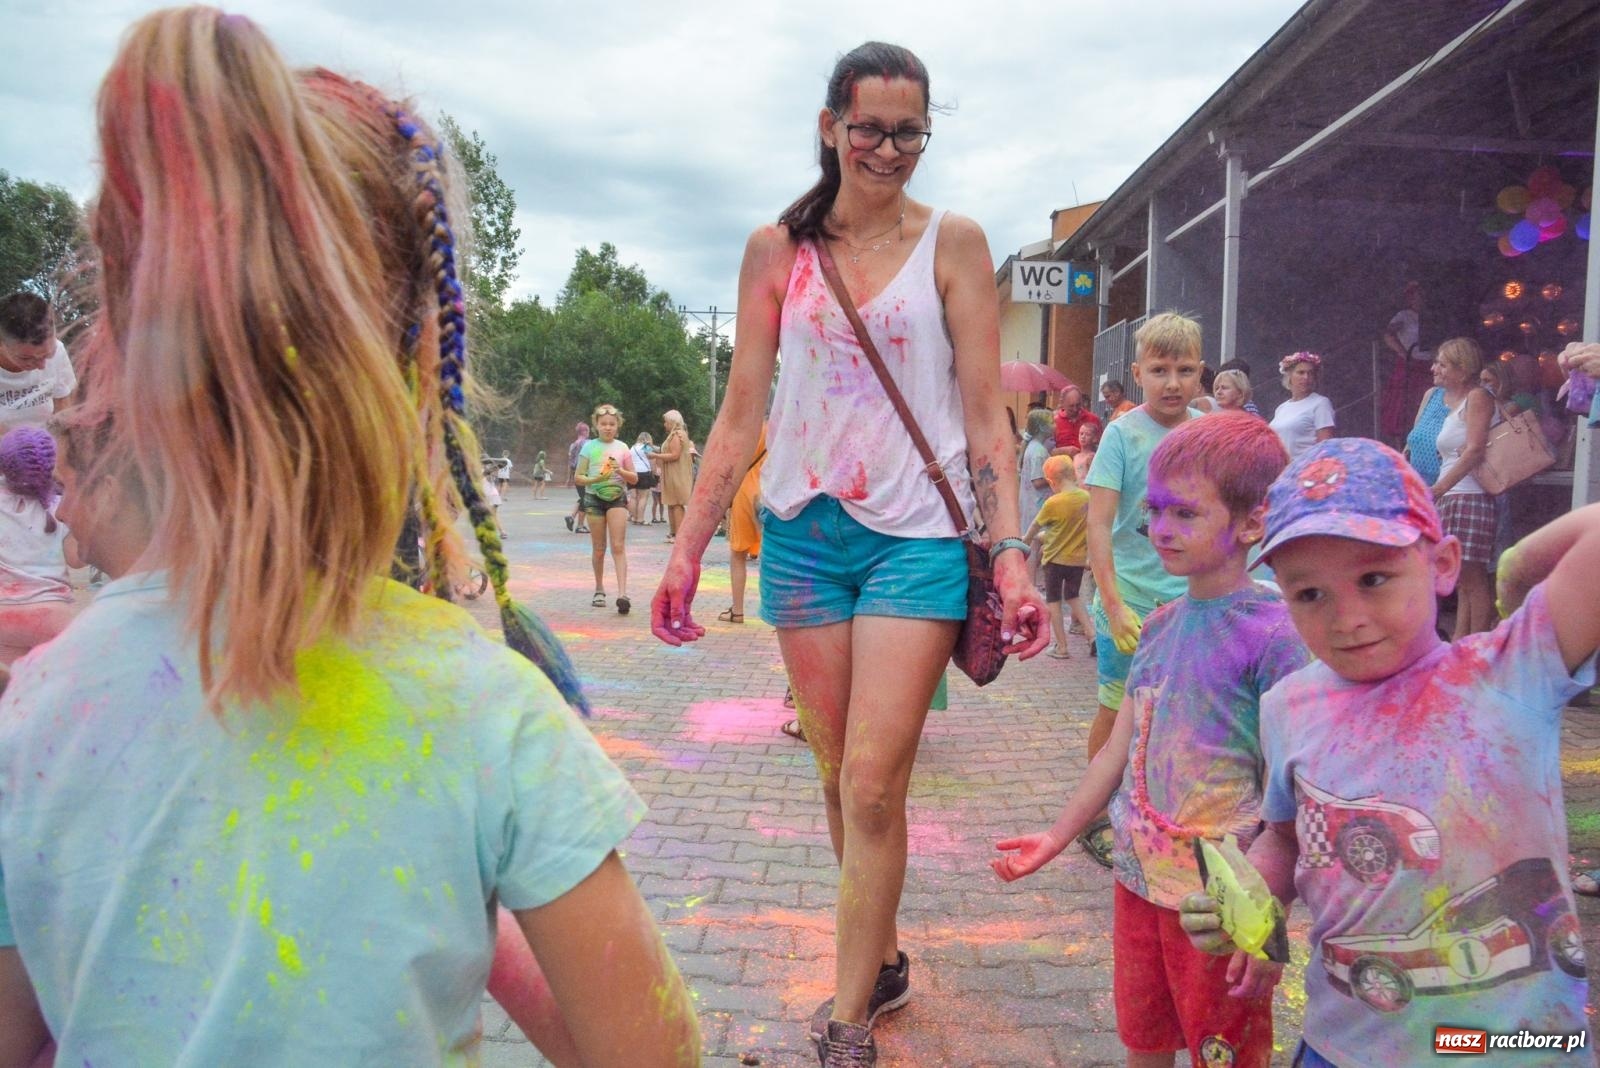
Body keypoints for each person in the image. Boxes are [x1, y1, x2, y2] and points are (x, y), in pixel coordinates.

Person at [0, 12, 698, 1066]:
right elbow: (652, 1056)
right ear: (417, 372)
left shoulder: (41, 713)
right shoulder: (487, 711)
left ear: (128, 359)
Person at [650, 41, 1048, 1066]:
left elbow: (984, 421)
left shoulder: (952, 244)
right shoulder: (775, 250)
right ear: (830, 125)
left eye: (907, 130)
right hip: (800, 534)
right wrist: (689, 548)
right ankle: (874, 956)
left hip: (915, 535)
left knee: (875, 782)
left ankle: (845, 1017)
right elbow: (741, 412)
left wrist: (1009, 554)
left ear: (925, 133)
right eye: (866, 126)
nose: (885, 148)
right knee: (836, 778)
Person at [1180, 439, 1598, 1067]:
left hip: (1518, 1046)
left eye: (1374, 578)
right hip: (1344, 1043)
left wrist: (1514, 570)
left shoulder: (1511, 670)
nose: (1346, 618)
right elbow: (1287, 838)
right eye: (1309, 594)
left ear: (1444, 564)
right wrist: (1251, 908)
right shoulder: (1288, 705)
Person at [996, 414, 1305, 1068]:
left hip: (1218, 908)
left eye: (1185, 514)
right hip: (1137, 884)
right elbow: (1117, 754)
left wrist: (1268, 920)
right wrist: (1056, 835)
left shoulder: (1276, 634)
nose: (1162, 529)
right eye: (1154, 512)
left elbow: (1292, 798)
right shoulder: (1159, 626)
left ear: (1251, 522)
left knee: (1223, 1052)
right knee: (1144, 1040)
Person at [1083, 311, 1206, 868]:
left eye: (1184, 369)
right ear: (1138, 373)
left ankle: (1167, 814)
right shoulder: (1122, 434)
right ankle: (1095, 817)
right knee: (1117, 712)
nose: (1172, 382)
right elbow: (1098, 525)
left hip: (1191, 599)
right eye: (1160, 370)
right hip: (1129, 596)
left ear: (1201, 373)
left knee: (1183, 713)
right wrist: (1111, 605)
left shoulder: (1210, 432)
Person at [1429, 338, 1498, 638]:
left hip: (1469, 495)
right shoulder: (1456, 402)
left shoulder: (1478, 397)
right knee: (1462, 579)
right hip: (1454, 496)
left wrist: (1439, 487)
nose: (1436, 369)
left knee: (1473, 578)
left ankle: (1479, 646)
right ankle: (1461, 641)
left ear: (1462, 369)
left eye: (1443, 364)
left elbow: (1474, 450)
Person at [0, 426, 76, 663]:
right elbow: (76, 559)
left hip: (5, 615)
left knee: (13, 689)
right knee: (54, 684)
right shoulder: (61, 506)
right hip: (53, 614)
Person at [1024, 455, 1092, 660]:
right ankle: (1092, 634)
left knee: (1053, 601)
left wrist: (1025, 541)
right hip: (1077, 560)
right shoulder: (1086, 499)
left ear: (1052, 481)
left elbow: (1036, 526)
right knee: (1073, 596)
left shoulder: (1053, 502)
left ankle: (1061, 647)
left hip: (1054, 560)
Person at [574, 403, 638, 614]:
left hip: (617, 498)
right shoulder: (589, 447)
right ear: (596, 425)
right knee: (599, 548)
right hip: (593, 499)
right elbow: (578, 478)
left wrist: (620, 470)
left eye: (612, 424)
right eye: (604, 424)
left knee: (618, 546)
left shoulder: (623, 447)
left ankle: (622, 594)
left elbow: (635, 478)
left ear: (617, 426)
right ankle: (599, 589)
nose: (608, 427)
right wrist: (596, 478)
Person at [0, 293, 77, 432]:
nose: (41, 366)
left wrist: (57, 446)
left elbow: (63, 409)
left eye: (47, 354)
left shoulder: (58, 351)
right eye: (25, 358)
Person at [720, 423, 767, 625]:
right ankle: (776, 610)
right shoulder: (778, 425)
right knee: (771, 552)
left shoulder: (744, 428)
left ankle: (737, 610)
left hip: (744, 491)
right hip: (770, 490)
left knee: (738, 554)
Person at [1379, 281, 1431, 444]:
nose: (1420, 299)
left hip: (1429, 363)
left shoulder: (1431, 315)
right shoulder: (1403, 316)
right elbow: (1388, 334)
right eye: (1416, 296)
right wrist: (1402, 352)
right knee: (1404, 403)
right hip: (1410, 364)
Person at [1268, 351, 1335, 459]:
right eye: (1301, 372)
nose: (1306, 377)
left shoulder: (1320, 403)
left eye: (1310, 373)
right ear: (1289, 376)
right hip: (1281, 471)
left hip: (1304, 470)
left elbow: (1325, 445)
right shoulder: (1281, 408)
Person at [1019, 407, 1052, 585]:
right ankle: (1030, 582)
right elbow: (1037, 480)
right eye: (1052, 422)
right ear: (1042, 427)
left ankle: (1031, 581)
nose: (1055, 425)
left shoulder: (1034, 448)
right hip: (1036, 503)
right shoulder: (1038, 451)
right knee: (1034, 544)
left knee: (1034, 544)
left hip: (1031, 502)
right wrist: (1056, 477)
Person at [656, 409, 694, 543]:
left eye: (666, 422)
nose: (664, 424)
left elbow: (674, 455)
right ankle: (673, 533)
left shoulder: (677, 435)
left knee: (677, 504)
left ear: (672, 422)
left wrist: (655, 456)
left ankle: (679, 535)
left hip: (677, 473)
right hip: (672, 473)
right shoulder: (673, 434)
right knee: (671, 503)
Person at [1053, 383, 1102, 454]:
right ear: (1062, 404)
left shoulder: (1093, 419)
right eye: (1071, 406)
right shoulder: (1055, 422)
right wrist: (1063, 451)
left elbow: (1102, 447)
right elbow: (1048, 451)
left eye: (1078, 405)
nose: (1075, 409)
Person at [565, 421, 590, 534]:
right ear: (585, 431)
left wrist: (569, 478)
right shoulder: (589, 443)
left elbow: (570, 463)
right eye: (588, 430)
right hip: (586, 474)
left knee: (582, 497)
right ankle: (580, 526)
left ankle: (571, 517)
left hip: (576, 474)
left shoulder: (573, 445)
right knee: (586, 499)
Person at [629, 432, 657, 524]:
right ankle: (640, 519)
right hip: (644, 473)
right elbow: (652, 461)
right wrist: (654, 473)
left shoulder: (632, 448)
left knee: (633, 497)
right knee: (643, 497)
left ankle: (634, 517)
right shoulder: (646, 447)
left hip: (632, 473)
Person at [1072, 419, 1099, 485]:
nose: (1083, 437)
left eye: (1088, 434)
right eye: (1081, 433)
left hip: (1087, 491)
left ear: (1094, 438)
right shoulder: (1076, 456)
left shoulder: (1091, 457)